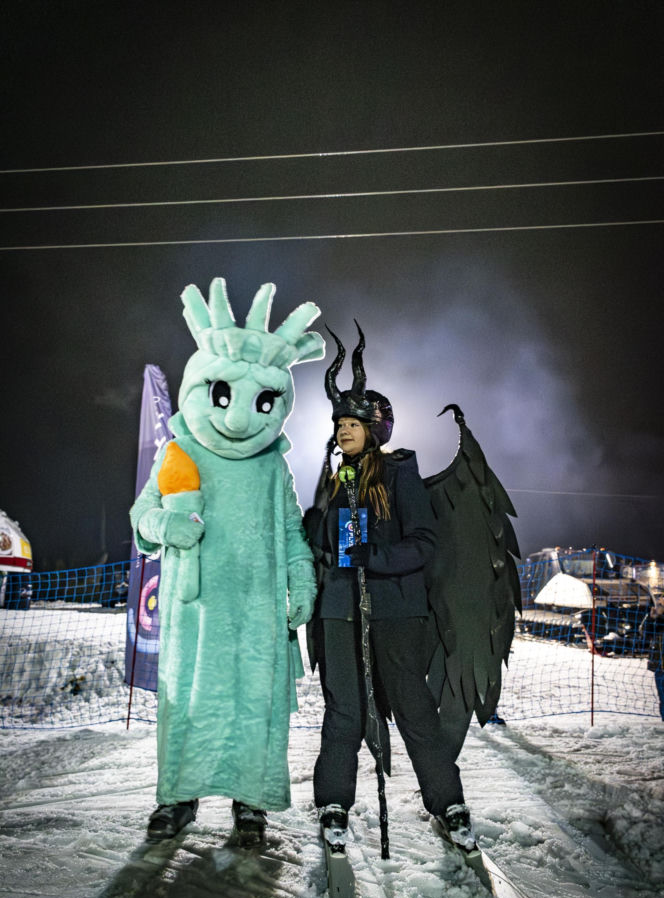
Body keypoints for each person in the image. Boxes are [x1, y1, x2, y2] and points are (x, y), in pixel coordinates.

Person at [130, 277, 324, 842]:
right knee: (189, 708)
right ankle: (178, 799)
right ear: (200, 387)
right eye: (223, 395)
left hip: (256, 616)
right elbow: (142, 518)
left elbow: (291, 532)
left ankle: (250, 803)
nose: (240, 419)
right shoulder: (179, 452)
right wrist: (169, 526)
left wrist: (300, 578)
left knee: (251, 711)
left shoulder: (271, 468)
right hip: (197, 617)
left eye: (263, 401)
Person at [305, 326, 476, 854]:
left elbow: (424, 542)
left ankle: (448, 803)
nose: (342, 431)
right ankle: (335, 803)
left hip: (398, 612)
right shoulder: (334, 479)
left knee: (413, 709)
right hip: (340, 609)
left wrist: (373, 558)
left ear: (375, 428)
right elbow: (321, 545)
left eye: (352, 423)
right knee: (345, 712)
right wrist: (320, 523)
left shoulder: (401, 474)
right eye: (338, 424)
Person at [643, 595, 664, 721]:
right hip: (659, 664)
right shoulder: (654, 618)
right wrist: (651, 618)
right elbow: (644, 634)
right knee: (663, 697)